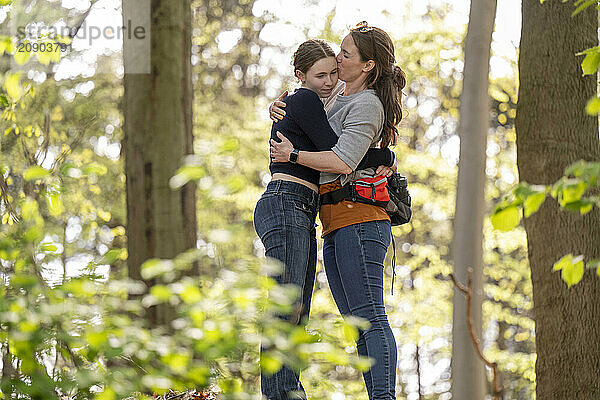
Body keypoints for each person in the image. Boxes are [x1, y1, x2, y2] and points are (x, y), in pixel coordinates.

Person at [253, 39, 395, 400]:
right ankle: (282, 392)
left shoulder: (343, 100)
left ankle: (288, 391)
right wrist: (382, 153)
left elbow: (341, 154)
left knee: (300, 308)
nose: (332, 77)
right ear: (302, 75)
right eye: (323, 73)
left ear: (364, 66)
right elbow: (335, 148)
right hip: (291, 203)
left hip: (318, 210)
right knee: (288, 307)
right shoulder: (309, 98)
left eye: (337, 67)